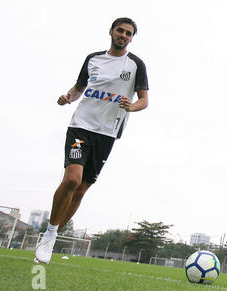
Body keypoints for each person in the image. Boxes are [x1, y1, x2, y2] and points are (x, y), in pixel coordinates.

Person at [35, 17, 149, 264]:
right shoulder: (93, 59)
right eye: (120, 31)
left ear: (131, 38)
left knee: (82, 188)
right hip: (81, 127)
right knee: (72, 179)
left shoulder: (136, 65)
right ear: (111, 31)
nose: (123, 35)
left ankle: (52, 235)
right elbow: (79, 87)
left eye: (129, 33)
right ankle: (49, 234)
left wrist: (131, 107)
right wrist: (68, 98)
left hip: (107, 133)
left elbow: (144, 100)